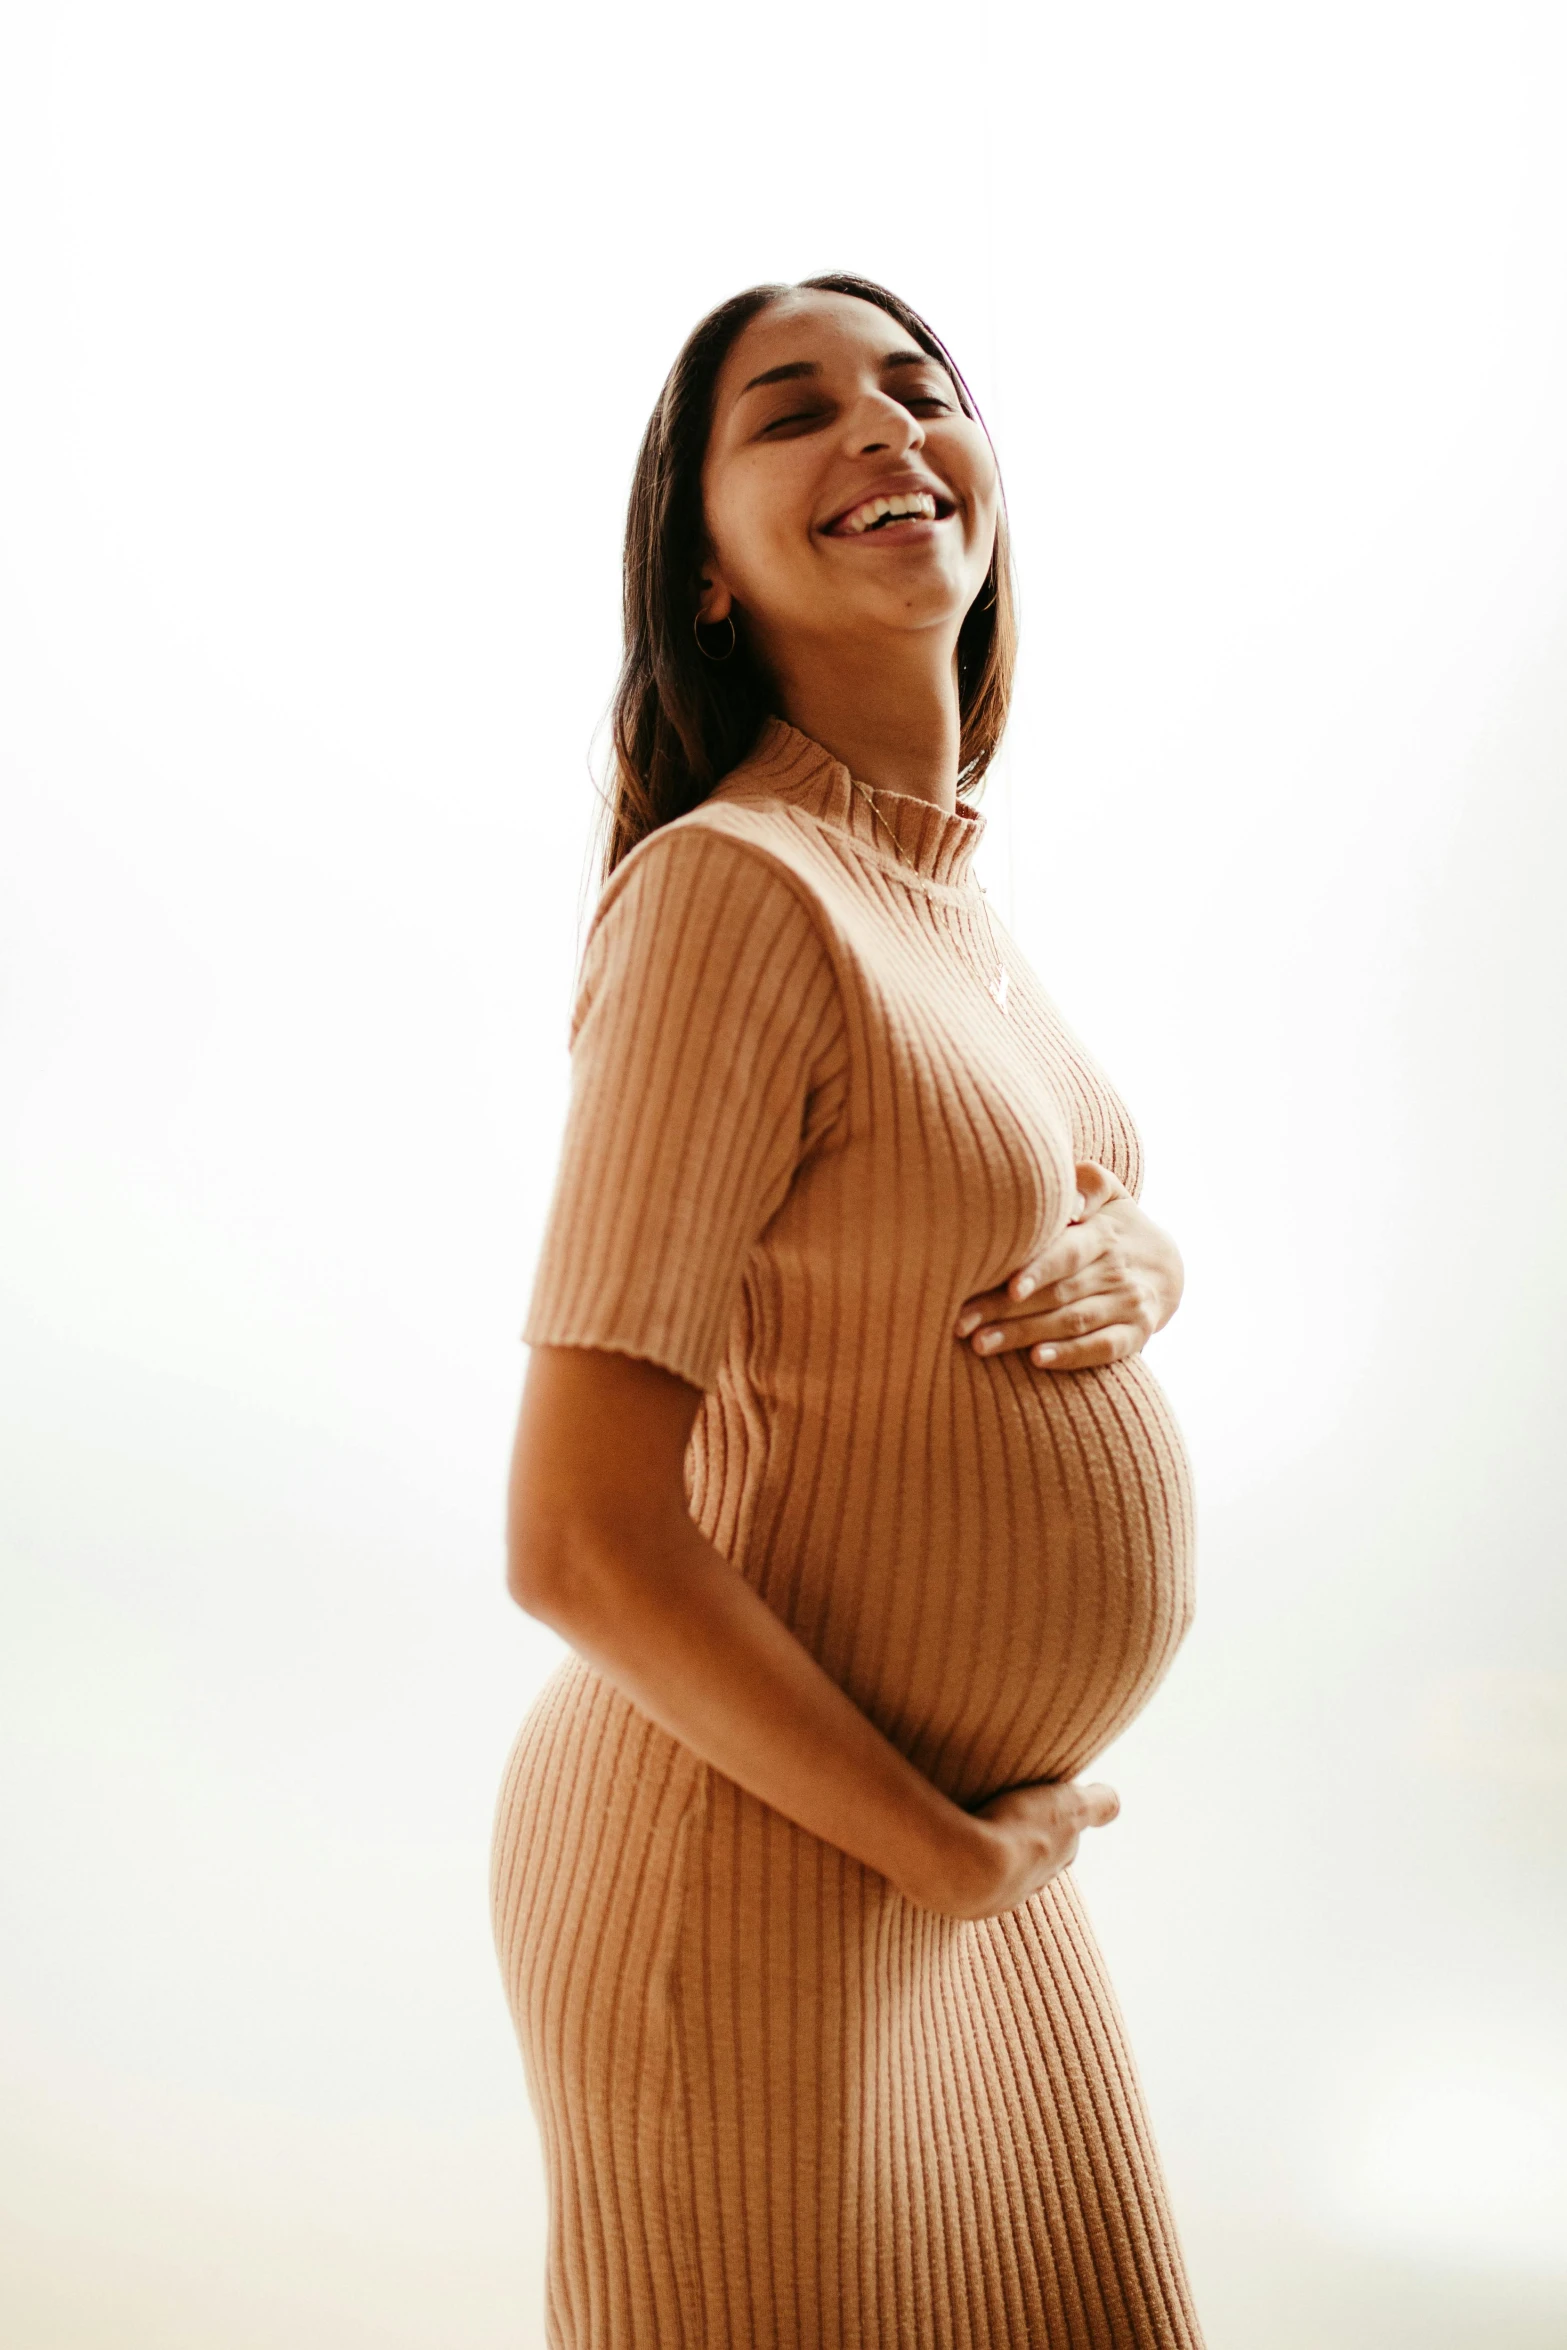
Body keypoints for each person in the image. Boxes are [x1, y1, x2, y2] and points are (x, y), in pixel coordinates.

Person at [491, 272, 1204, 2349]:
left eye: (919, 387)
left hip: (946, 1877)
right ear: (701, 576)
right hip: (768, 1868)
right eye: (791, 411)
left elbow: (984, 1194)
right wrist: (949, 1856)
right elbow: (579, 1538)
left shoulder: (940, 890)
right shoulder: (733, 888)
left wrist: (1147, 1250)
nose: (883, 426)